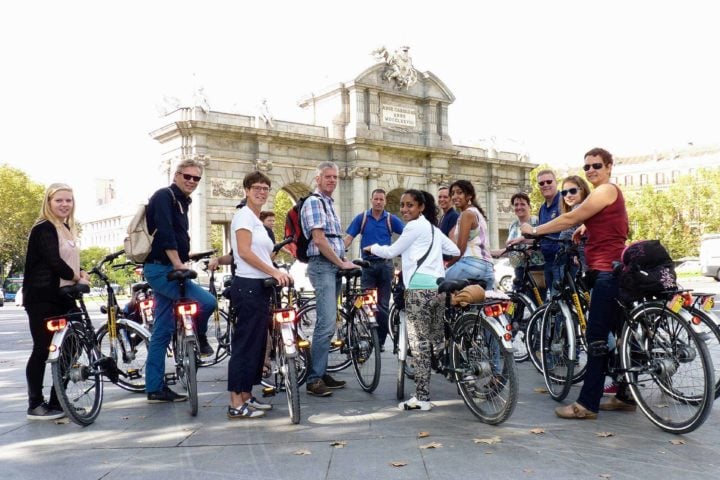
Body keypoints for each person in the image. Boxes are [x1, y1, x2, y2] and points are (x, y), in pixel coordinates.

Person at [521, 147, 630, 420]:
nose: (591, 170)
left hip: (606, 273)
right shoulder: (603, 196)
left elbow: (571, 216)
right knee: (620, 336)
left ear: (608, 167)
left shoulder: (605, 190)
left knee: (595, 339)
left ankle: (587, 404)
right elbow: (599, 222)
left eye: (596, 165)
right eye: (587, 167)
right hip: (612, 271)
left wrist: (533, 230)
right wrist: (585, 229)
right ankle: (625, 394)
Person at [364, 190, 460, 411]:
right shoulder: (433, 229)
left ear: (421, 208)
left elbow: (391, 251)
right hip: (438, 288)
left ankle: (422, 397)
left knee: (419, 345)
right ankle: (452, 368)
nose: (405, 210)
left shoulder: (413, 227)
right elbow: (454, 249)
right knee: (436, 339)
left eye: (410, 206)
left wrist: (372, 248)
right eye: (403, 205)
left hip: (418, 289)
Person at [143, 159, 217, 403]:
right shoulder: (164, 196)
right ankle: (200, 337)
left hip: (169, 267)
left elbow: (177, 234)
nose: (192, 181)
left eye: (196, 178)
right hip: (162, 269)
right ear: (176, 175)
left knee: (162, 331)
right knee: (207, 302)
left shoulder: (184, 201)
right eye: (187, 176)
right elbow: (164, 231)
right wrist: (177, 263)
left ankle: (154, 387)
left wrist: (186, 257)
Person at [226, 171, 292, 419]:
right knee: (245, 345)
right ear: (246, 189)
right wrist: (274, 272)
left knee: (256, 345)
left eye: (265, 188)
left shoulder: (255, 219)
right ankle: (235, 401)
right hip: (248, 286)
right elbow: (243, 252)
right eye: (256, 187)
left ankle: (246, 395)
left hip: (259, 286)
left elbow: (261, 253)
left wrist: (275, 270)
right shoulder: (244, 215)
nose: (261, 191)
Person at [23, 183, 90, 420]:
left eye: (68, 200)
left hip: (64, 295)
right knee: (42, 349)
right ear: (48, 202)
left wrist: (81, 272)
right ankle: (35, 404)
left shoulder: (65, 227)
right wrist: (77, 277)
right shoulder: (44, 228)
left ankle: (57, 400)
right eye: (59, 200)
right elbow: (53, 261)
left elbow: (67, 259)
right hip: (42, 297)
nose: (64, 205)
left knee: (73, 344)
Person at [301, 161, 359, 397]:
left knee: (330, 322)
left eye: (335, 177)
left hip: (331, 266)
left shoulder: (329, 204)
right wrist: (340, 262)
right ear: (318, 178)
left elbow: (335, 240)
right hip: (323, 266)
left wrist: (346, 259)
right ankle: (314, 379)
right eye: (328, 177)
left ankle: (321, 370)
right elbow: (319, 240)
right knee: (325, 323)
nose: (332, 180)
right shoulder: (314, 202)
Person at [344, 188, 404, 350]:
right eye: (376, 199)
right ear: (371, 200)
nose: (378, 202)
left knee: (383, 305)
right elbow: (349, 238)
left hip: (385, 266)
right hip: (367, 266)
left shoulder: (391, 219)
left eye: (381, 199)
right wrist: (337, 255)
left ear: (385, 201)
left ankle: (381, 341)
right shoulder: (362, 218)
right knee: (368, 303)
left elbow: (407, 236)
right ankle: (369, 335)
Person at [444, 180, 495, 289]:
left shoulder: (466, 214)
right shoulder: (477, 213)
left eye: (459, 192)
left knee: (436, 282)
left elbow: (460, 249)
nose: (455, 196)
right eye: (452, 193)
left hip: (471, 264)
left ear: (469, 196)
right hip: (488, 268)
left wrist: (447, 265)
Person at [504, 192, 545, 291]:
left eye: (522, 204)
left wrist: (525, 242)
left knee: (536, 302)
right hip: (519, 269)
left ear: (529, 206)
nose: (519, 207)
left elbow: (543, 240)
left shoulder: (536, 221)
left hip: (535, 269)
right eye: (516, 204)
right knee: (517, 302)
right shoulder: (513, 225)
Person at [537, 169, 562, 297]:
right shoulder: (542, 208)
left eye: (548, 181)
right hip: (547, 261)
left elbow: (565, 223)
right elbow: (541, 234)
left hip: (562, 260)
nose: (545, 185)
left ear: (556, 182)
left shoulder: (563, 201)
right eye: (541, 183)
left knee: (558, 300)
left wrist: (534, 230)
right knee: (553, 302)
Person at [558, 175, 591, 271]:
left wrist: (535, 230)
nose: (568, 195)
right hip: (580, 264)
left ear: (583, 190)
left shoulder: (580, 209)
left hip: (590, 265)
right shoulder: (572, 210)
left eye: (573, 191)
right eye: (564, 192)